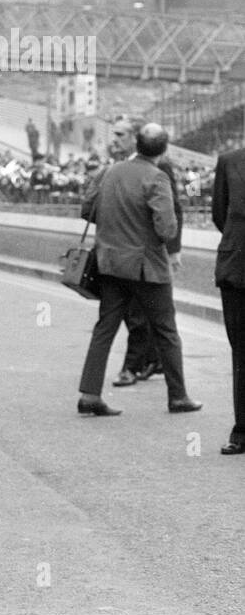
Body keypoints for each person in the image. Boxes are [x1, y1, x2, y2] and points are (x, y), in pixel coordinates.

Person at [76, 123, 202, 417]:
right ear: (164, 149)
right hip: (147, 267)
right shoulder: (157, 178)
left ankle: (90, 394)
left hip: (109, 264)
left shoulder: (110, 171)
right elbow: (167, 227)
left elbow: (87, 210)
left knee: (104, 329)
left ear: (137, 144)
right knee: (166, 331)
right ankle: (178, 396)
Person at [214, 146, 245, 454]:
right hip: (237, 268)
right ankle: (242, 430)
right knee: (241, 352)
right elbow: (219, 213)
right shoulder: (229, 161)